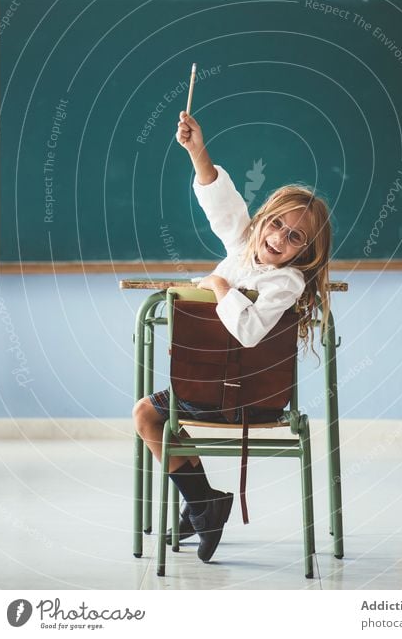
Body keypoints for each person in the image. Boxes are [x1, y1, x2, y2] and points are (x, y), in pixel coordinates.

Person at [133, 110, 332, 563]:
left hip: (250, 397)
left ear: (306, 252)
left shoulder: (288, 283)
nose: (280, 237)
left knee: (148, 413)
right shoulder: (242, 244)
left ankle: (202, 503)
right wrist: (195, 151)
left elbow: (247, 332)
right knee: (149, 414)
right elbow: (221, 204)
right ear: (262, 219)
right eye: (277, 223)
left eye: (296, 237)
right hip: (203, 386)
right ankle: (203, 502)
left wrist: (219, 285)